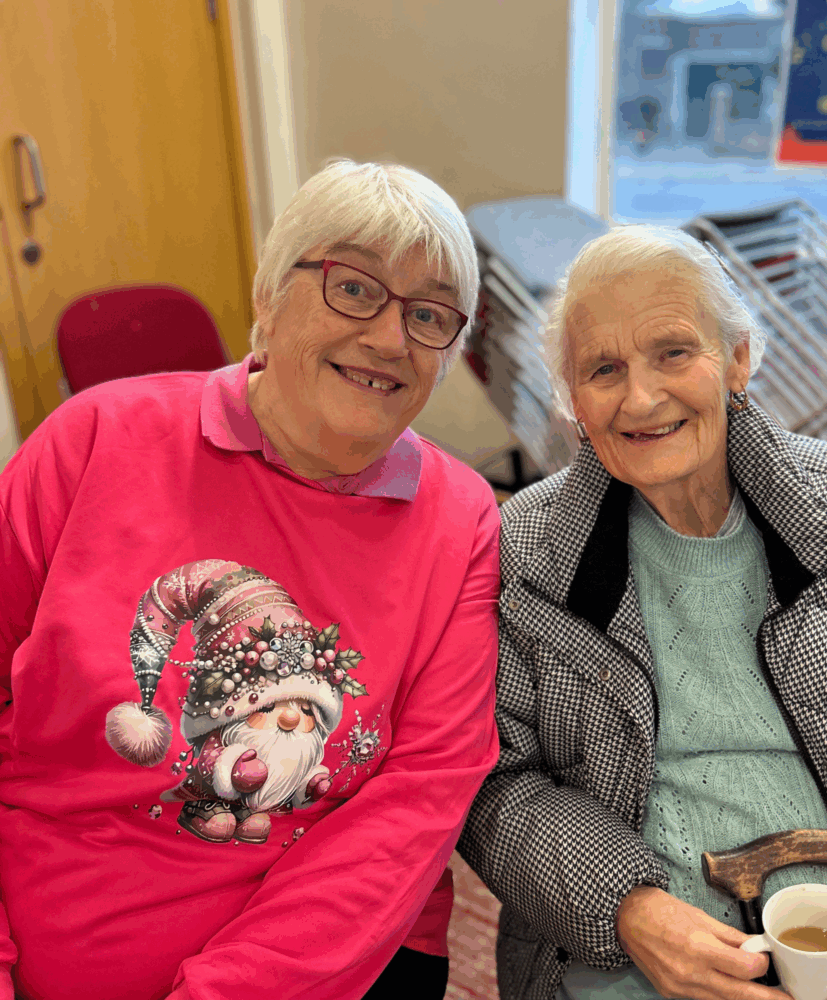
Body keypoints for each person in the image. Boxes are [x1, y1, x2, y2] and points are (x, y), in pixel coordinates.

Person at [0, 159, 501, 1000]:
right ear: (269, 296)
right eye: (352, 287)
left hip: (325, 957)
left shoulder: (461, 520)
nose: (388, 338)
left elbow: (418, 801)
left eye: (427, 315)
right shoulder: (92, 442)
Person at [458, 226, 827, 1000]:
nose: (642, 398)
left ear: (739, 359)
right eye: (603, 369)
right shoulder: (525, 552)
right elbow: (492, 781)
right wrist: (628, 910)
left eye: (674, 352)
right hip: (640, 960)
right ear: (573, 402)